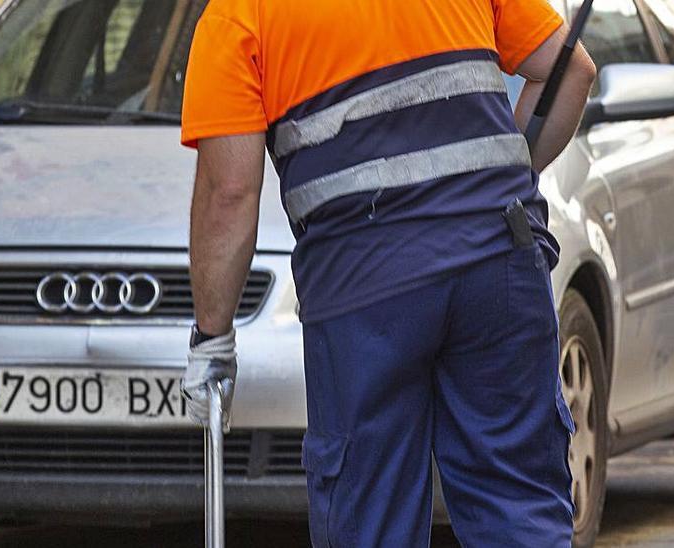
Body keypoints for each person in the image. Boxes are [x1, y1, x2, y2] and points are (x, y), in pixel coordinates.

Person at [178, 0, 597, 546]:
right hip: (497, 260)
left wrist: (212, 337)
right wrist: (490, 188)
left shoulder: (241, 14)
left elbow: (228, 192)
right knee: (518, 507)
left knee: (369, 515)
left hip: (363, 288)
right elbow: (572, 72)